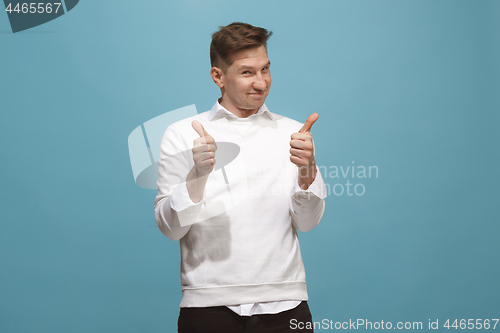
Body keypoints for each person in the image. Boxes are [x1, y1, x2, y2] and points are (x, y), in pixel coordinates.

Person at [154, 22, 327, 333]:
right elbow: (170, 229)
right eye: (247, 72)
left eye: (265, 69)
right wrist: (198, 174)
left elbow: (308, 223)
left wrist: (307, 173)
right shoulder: (181, 133)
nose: (261, 83)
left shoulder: (294, 133)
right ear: (218, 76)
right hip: (207, 308)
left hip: (286, 305)